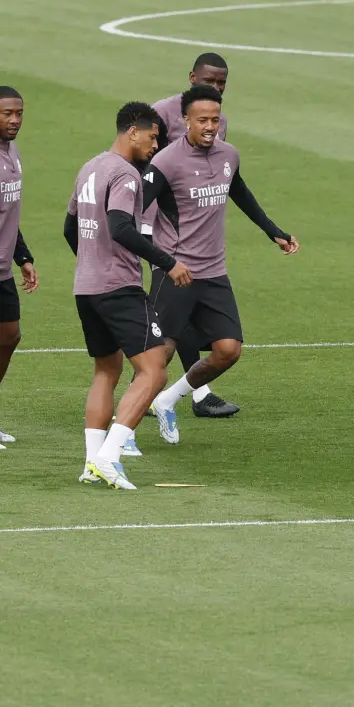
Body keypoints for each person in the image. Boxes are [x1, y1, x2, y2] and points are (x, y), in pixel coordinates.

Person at [142, 85, 298, 444]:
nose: (210, 126)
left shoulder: (229, 154)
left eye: (215, 119)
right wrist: (156, 258)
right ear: (185, 121)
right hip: (177, 272)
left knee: (228, 350)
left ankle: (168, 400)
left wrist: (273, 231)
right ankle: (124, 429)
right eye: (202, 120)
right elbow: (134, 207)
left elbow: (239, 192)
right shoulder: (166, 161)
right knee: (159, 355)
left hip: (213, 272)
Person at [64, 102, 192, 489]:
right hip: (118, 287)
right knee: (154, 371)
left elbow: (70, 227)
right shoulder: (126, 175)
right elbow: (121, 227)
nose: (156, 145)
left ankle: (91, 463)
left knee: (107, 370)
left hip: (86, 287)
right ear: (131, 132)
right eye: (152, 137)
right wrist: (168, 262)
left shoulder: (91, 166)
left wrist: (91, 262)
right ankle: (109, 456)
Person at [147, 52, 238, 419]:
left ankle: (186, 395)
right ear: (191, 77)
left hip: (205, 251)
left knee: (220, 342)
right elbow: (140, 170)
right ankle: (128, 424)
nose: (214, 88)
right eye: (208, 81)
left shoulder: (222, 133)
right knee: (164, 340)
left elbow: (227, 179)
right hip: (164, 238)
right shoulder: (160, 116)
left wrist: (272, 231)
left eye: (221, 85)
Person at [0, 85, 37, 450]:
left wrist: (22, 257)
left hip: (3, 272)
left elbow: (8, 213)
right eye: (7, 113)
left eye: (19, 113)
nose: (14, 120)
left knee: (10, 336)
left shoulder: (12, 152)